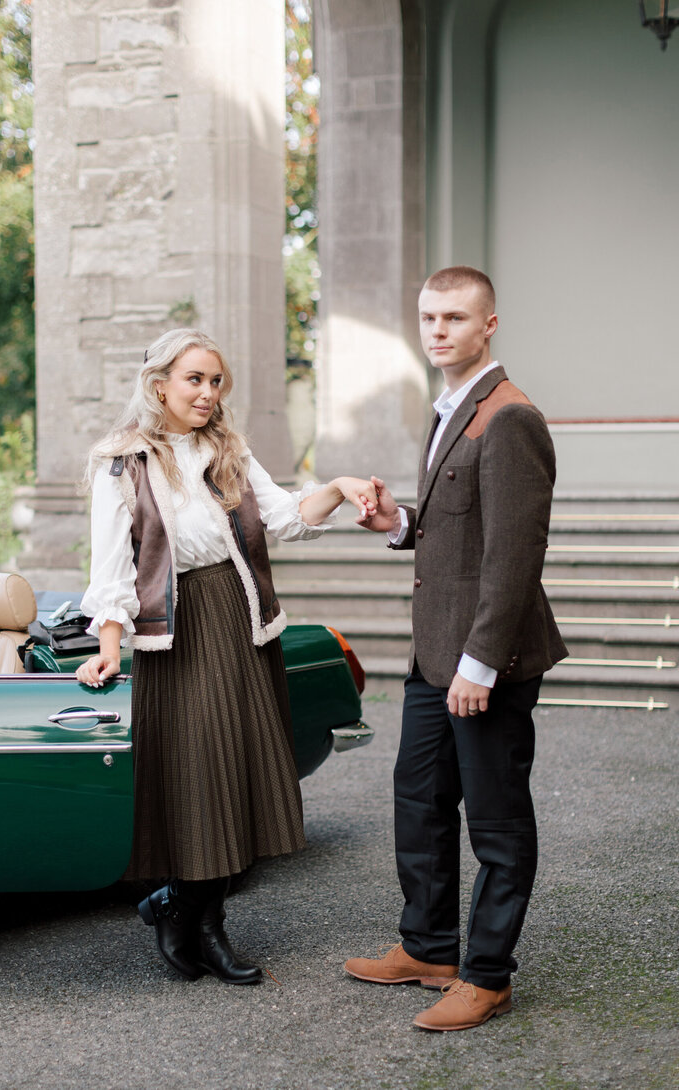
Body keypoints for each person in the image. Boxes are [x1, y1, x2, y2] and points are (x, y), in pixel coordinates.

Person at [76, 328, 377, 986]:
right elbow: (112, 570)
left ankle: (192, 919)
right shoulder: (123, 464)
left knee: (235, 781)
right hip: (176, 637)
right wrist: (106, 647)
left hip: (241, 628)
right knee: (198, 782)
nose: (209, 393)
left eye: (216, 382)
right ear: (160, 385)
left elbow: (286, 516)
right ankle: (186, 913)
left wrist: (340, 485)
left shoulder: (228, 450)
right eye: (195, 380)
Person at [344, 266, 567, 1030]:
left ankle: (488, 974)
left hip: (484, 661)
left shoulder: (510, 416)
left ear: (489, 325)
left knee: (497, 823)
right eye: (428, 317)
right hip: (433, 653)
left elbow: (513, 554)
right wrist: (398, 524)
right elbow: (461, 527)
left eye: (454, 318)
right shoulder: (451, 408)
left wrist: (480, 665)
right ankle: (429, 946)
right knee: (421, 800)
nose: (437, 331)